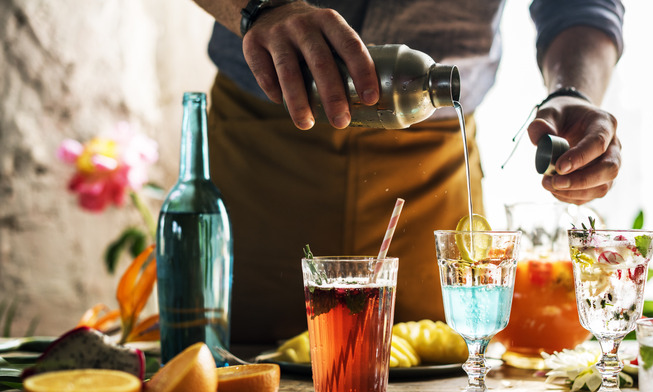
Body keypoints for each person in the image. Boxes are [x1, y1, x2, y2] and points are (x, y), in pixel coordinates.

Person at [193, 0, 625, 345]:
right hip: (265, 142)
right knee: (234, 358)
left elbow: (580, 5)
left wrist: (574, 90)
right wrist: (260, 8)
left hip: (431, 163)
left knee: (439, 363)